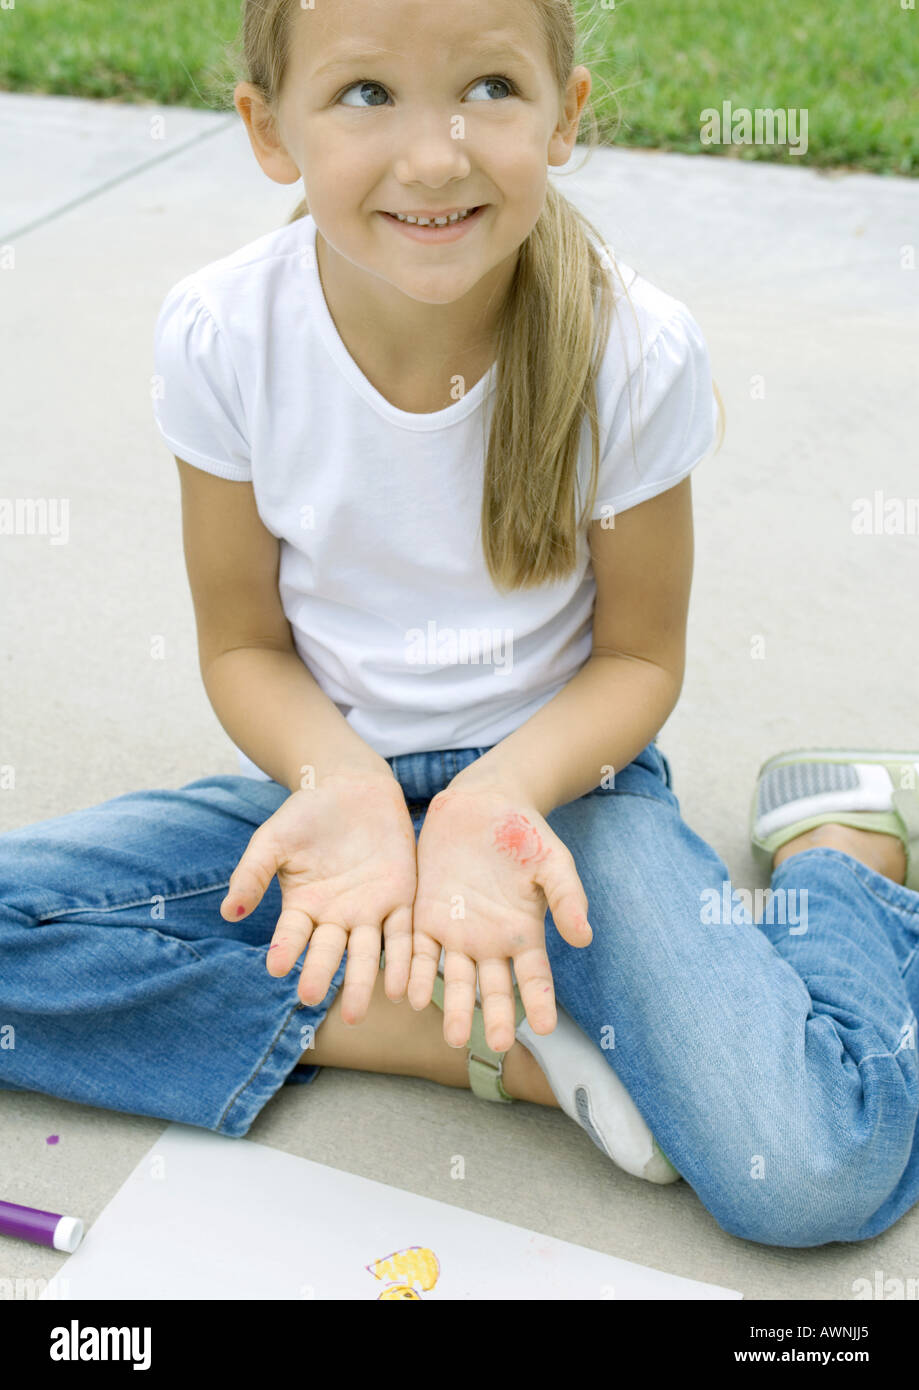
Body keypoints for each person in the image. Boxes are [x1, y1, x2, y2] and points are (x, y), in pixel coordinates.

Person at [2, 0, 918, 1250]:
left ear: (564, 116)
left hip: (560, 800)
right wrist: (344, 788)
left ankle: (837, 859)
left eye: (488, 85)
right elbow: (244, 645)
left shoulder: (629, 348)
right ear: (271, 131)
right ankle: (466, 1039)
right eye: (366, 95)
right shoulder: (222, 334)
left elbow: (639, 657)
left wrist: (495, 808)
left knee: (811, 1173)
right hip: (334, 794)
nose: (434, 155)